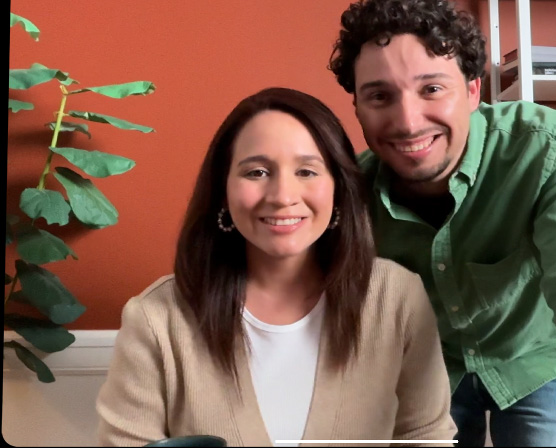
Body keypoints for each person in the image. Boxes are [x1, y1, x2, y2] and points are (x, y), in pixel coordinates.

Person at [328, 0, 556, 447]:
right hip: (424, 376)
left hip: (538, 361)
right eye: (380, 97)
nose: (408, 121)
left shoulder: (546, 144)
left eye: (432, 88)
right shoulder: (347, 191)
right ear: (357, 106)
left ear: (473, 89)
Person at [96, 87, 457, 446]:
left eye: (306, 171)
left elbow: (427, 437)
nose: (283, 196)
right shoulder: (157, 318)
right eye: (256, 172)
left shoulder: (397, 298)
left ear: (339, 188)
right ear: (223, 189)